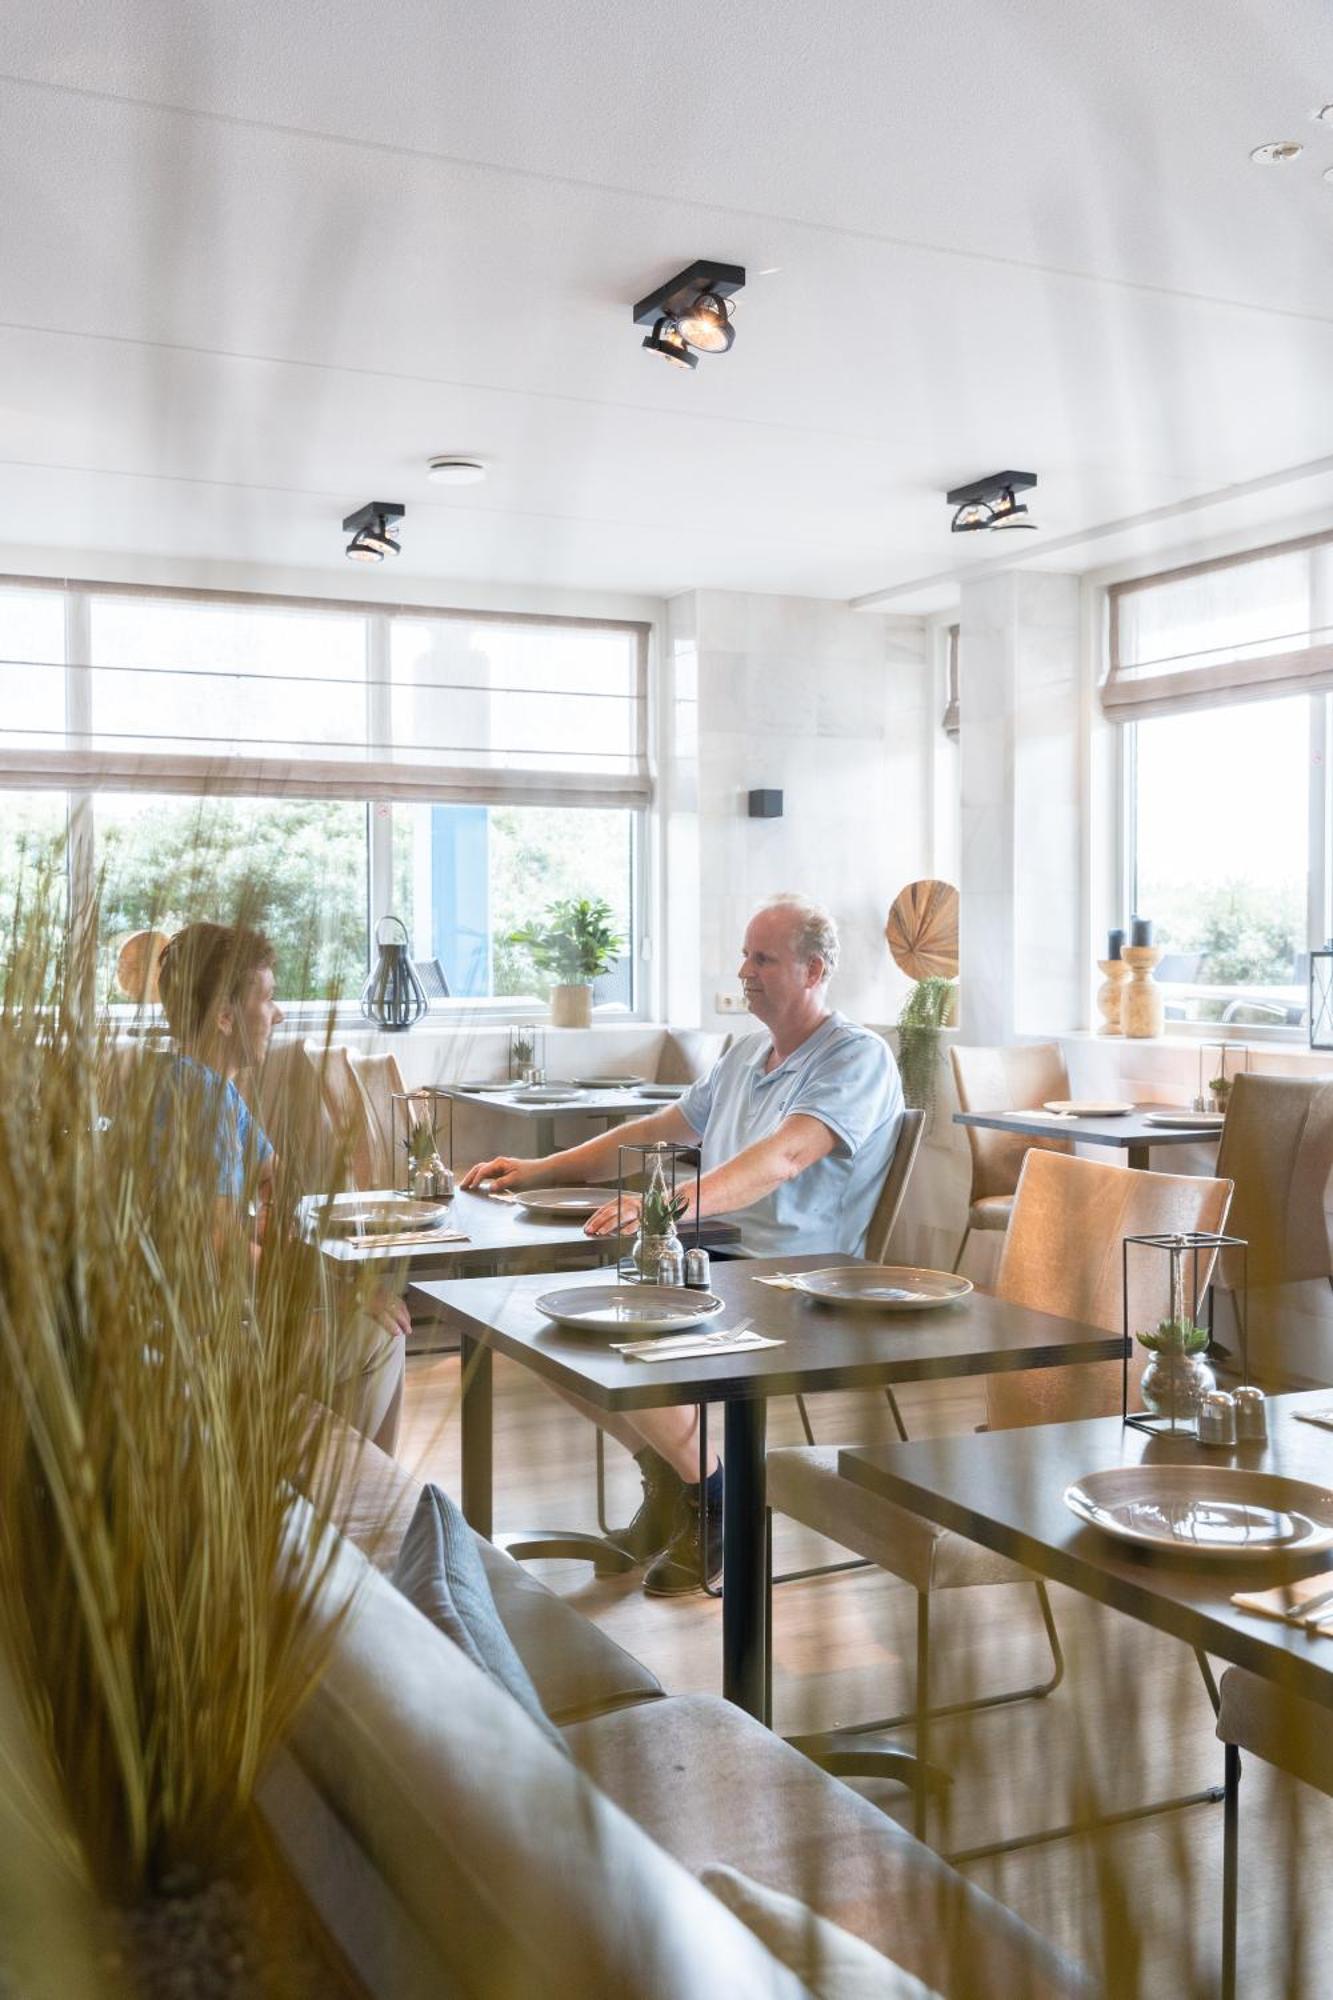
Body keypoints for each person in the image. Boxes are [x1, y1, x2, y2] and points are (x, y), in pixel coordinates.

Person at [461, 895, 904, 1593]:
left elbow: (784, 1158)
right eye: (745, 955)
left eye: (763, 959)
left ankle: (715, 1499)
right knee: (540, 1317)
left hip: (792, 1277)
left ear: (813, 970)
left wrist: (664, 1204)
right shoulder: (748, 1052)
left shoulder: (855, 1058)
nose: (744, 971)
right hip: (710, 1252)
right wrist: (536, 1167)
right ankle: (675, 1483)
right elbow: (659, 1128)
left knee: (593, 1323)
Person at [155, 921, 410, 1454]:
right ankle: (338, 1515)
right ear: (225, 1017)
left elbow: (277, 1175)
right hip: (197, 1340)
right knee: (383, 1337)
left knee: (373, 1322)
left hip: (211, 1318)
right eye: (267, 999)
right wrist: (345, 1292)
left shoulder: (203, 1086)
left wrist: (271, 1213)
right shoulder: (200, 1102)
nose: (279, 1013)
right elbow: (221, 1246)